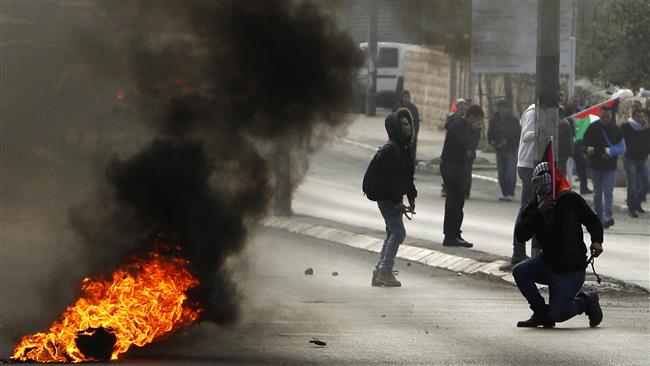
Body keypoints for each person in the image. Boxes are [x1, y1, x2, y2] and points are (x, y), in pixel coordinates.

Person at [512, 162, 604, 328]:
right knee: (520, 271)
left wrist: (597, 240)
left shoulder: (570, 199)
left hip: (571, 268)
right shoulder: (533, 207)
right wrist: (538, 213)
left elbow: (593, 220)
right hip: (547, 263)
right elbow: (521, 235)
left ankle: (585, 301)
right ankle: (540, 312)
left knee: (558, 314)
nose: (542, 191)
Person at [371, 108, 417, 287]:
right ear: (395, 128)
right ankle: (385, 271)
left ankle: (379, 270)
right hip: (387, 198)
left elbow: (407, 177)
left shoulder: (403, 149)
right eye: (403, 125)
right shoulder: (391, 149)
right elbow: (390, 180)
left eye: (409, 124)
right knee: (399, 232)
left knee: (392, 232)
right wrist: (397, 200)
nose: (408, 128)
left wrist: (411, 197)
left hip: (393, 197)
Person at [500, 104, 537, 271]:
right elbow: (527, 135)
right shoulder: (533, 112)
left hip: (538, 164)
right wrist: (545, 130)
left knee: (539, 210)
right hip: (528, 165)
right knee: (526, 209)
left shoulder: (547, 113)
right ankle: (518, 251)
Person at [440, 104, 482, 248]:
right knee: (453, 201)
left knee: (459, 201)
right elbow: (465, 145)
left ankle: (455, 233)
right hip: (451, 166)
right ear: (471, 116)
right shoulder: (458, 125)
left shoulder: (468, 129)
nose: (477, 123)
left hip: (460, 167)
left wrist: (476, 133)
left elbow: (472, 148)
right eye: (476, 119)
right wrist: (473, 131)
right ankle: (449, 235)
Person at [582, 105, 624, 228]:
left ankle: (608, 217)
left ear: (611, 116)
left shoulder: (616, 129)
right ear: (599, 115)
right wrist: (587, 149)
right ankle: (599, 218)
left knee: (608, 192)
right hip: (596, 166)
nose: (605, 118)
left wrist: (611, 152)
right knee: (597, 194)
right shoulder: (592, 128)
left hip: (610, 166)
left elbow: (622, 147)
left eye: (608, 116)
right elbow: (582, 145)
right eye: (603, 116)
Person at [488, 99, 520, 201]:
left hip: (510, 149)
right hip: (499, 149)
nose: (502, 110)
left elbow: (517, 135)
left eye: (504, 107)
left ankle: (510, 192)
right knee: (501, 172)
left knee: (510, 172)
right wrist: (492, 141)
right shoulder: (494, 120)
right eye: (500, 107)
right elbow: (490, 133)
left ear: (507, 108)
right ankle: (504, 192)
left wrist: (508, 141)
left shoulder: (513, 121)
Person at [621, 108, 650, 217]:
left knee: (647, 183)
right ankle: (631, 208)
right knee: (632, 185)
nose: (639, 119)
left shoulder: (645, 128)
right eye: (637, 117)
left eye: (641, 117)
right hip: (630, 158)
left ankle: (637, 202)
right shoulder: (627, 126)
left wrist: (647, 129)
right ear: (633, 116)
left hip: (642, 159)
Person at [441, 98, 468, 198]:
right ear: (456, 109)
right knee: (446, 172)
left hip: (461, 153)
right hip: (450, 151)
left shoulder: (467, 120)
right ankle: (446, 187)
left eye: (464, 109)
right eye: (460, 109)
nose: (462, 111)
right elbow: (447, 126)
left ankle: (463, 191)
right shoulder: (452, 118)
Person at [393, 90, 420, 165]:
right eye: (405, 97)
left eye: (408, 97)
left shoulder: (413, 108)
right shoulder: (397, 107)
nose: (406, 99)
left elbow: (416, 122)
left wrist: (414, 133)